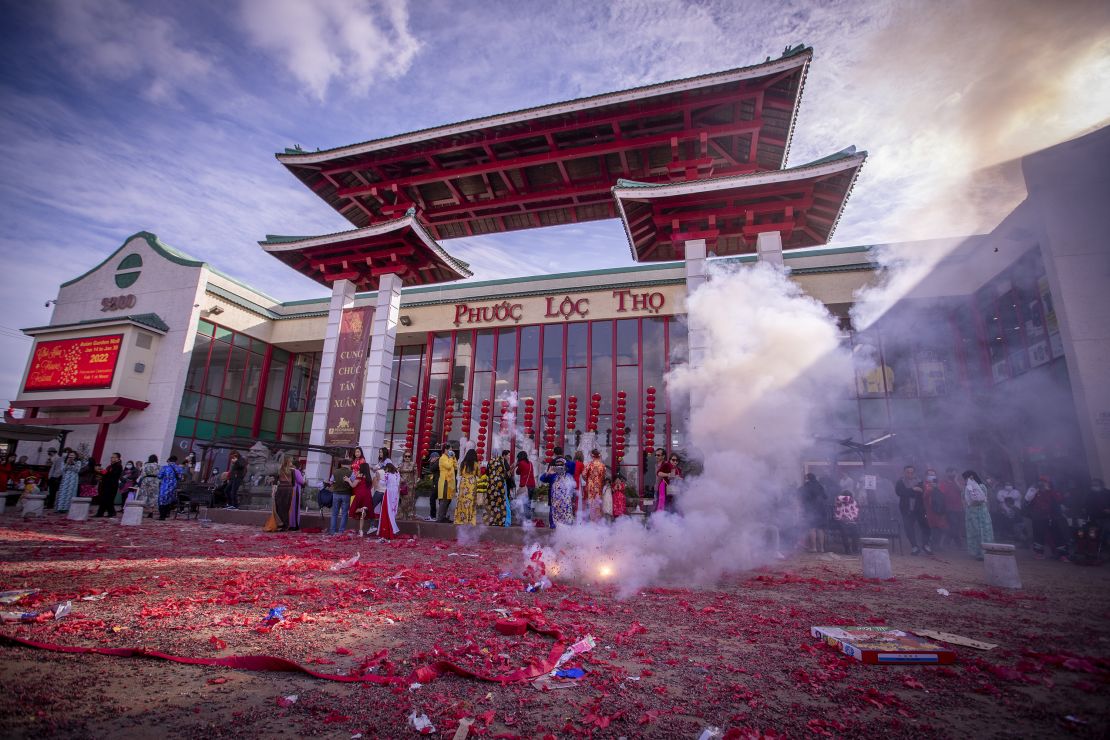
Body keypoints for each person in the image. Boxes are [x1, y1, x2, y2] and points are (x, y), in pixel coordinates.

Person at [1027, 476, 1068, 560]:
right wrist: (1034, 490)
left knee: (1057, 535)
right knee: (1039, 535)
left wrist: (1049, 490)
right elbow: (1027, 499)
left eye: (1044, 482)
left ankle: (1062, 554)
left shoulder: (1052, 491)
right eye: (1041, 482)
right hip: (1039, 518)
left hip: (1053, 517)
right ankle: (1039, 553)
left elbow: (1059, 499)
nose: (1042, 483)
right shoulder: (1034, 491)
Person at [895, 465, 932, 555]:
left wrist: (909, 491)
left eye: (911, 472)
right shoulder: (900, 482)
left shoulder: (920, 482)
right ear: (904, 472)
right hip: (906, 509)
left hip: (919, 508)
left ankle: (925, 544)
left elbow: (921, 492)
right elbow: (900, 492)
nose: (910, 474)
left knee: (926, 526)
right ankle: (914, 546)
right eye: (908, 472)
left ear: (914, 473)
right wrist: (913, 489)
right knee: (908, 528)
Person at [961, 470, 995, 560]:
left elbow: (979, 499)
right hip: (977, 513)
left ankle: (982, 552)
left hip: (976, 513)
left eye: (965, 478)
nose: (965, 481)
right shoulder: (972, 487)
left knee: (979, 532)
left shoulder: (976, 487)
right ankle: (981, 552)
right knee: (979, 532)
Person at [540, 456, 577, 528]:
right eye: (557, 465)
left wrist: (566, 465)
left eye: (561, 465)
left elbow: (573, 465)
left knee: (566, 523)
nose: (559, 467)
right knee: (554, 521)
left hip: (565, 503)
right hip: (555, 503)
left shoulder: (568, 475)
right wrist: (548, 472)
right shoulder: (552, 475)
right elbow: (542, 479)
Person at [799, 473, 827, 553]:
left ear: (807, 478)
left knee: (812, 528)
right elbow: (825, 496)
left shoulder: (806, 486)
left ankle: (814, 548)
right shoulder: (820, 485)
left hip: (811, 510)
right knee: (820, 529)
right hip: (821, 510)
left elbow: (799, 494)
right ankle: (821, 548)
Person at [485, 449, 512, 526]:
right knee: (501, 502)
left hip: (491, 485)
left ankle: (491, 521)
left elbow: (487, 473)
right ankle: (502, 521)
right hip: (500, 484)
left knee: (491, 502)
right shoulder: (501, 461)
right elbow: (506, 474)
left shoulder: (489, 462)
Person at [922, 469, 948, 549]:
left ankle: (939, 544)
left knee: (942, 528)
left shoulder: (940, 484)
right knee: (931, 528)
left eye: (933, 474)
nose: (931, 476)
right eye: (929, 475)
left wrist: (937, 487)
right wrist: (930, 489)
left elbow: (944, 494)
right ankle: (929, 545)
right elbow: (924, 496)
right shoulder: (923, 484)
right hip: (928, 510)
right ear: (926, 476)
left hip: (940, 511)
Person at [328, 461, 354, 535]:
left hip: (336, 494)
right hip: (346, 494)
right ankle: (341, 531)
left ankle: (332, 530)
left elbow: (331, 482)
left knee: (334, 513)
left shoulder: (335, 472)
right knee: (344, 513)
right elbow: (353, 481)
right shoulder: (351, 472)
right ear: (348, 465)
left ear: (341, 464)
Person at [454, 449, 479, 526]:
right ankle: (469, 519)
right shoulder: (475, 464)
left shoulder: (462, 463)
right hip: (471, 484)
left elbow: (460, 473)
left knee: (462, 501)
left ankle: (460, 519)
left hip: (463, 483)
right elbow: (479, 474)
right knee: (470, 501)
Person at [94, 453, 123, 518]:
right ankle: (101, 513)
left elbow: (112, 474)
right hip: (106, 484)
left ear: (117, 458)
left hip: (112, 485)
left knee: (108, 499)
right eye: (111, 457)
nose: (111, 458)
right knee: (104, 499)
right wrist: (101, 475)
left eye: (113, 457)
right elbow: (106, 474)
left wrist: (102, 471)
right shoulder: (110, 466)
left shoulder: (118, 466)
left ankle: (111, 512)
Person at [582, 449, 607, 523]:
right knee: (598, 503)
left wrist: (588, 480)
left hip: (590, 486)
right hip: (599, 486)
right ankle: (598, 521)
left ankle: (592, 521)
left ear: (592, 455)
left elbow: (583, 475)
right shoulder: (602, 465)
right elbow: (604, 477)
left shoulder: (589, 465)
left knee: (591, 503)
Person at [350, 459, 375, 531]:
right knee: (363, 516)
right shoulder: (369, 478)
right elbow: (371, 487)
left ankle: (361, 509)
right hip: (368, 496)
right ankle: (361, 531)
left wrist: (348, 480)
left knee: (352, 510)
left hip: (360, 495)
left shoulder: (359, 476)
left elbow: (353, 485)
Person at [378, 462, 401, 539]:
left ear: (388, 468)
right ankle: (392, 531)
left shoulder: (387, 474)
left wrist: (378, 479)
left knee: (386, 512)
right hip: (395, 495)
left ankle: (386, 532)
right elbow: (398, 484)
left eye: (385, 469)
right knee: (393, 511)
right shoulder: (397, 474)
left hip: (388, 494)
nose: (385, 470)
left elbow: (383, 483)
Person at [834, 490, 861, 554]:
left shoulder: (853, 502)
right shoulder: (839, 500)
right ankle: (847, 549)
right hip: (841, 521)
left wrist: (851, 519)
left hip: (851, 521)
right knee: (844, 533)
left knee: (856, 533)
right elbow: (840, 498)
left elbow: (856, 512)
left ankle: (855, 550)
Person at [157, 456, 184, 520]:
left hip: (165, 485)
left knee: (162, 500)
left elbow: (159, 476)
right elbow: (181, 478)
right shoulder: (179, 468)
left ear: (169, 460)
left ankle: (162, 516)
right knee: (170, 500)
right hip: (173, 486)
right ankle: (167, 513)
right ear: (176, 461)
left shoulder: (165, 468)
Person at [272, 456, 294, 531]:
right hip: (289, 490)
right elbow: (293, 482)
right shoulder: (292, 471)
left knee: (279, 506)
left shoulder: (279, 470)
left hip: (281, 489)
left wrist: (273, 490)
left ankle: (281, 523)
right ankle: (286, 524)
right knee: (286, 507)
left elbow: (275, 481)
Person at [514, 450, 536, 522]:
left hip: (525, 486)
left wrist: (516, 465)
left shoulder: (521, 463)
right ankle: (528, 519)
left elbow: (517, 472)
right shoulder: (530, 463)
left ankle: (527, 520)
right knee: (528, 503)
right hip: (532, 485)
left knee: (525, 504)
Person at [437, 446, 457, 522]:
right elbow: (448, 466)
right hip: (445, 481)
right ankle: (440, 518)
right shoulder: (442, 458)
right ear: (445, 450)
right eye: (450, 450)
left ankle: (443, 517)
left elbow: (456, 466)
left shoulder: (449, 458)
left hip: (450, 482)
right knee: (444, 499)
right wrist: (451, 458)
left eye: (452, 450)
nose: (451, 451)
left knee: (448, 499)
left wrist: (454, 458)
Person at [654, 448, 675, 513]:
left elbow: (673, 474)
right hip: (657, 489)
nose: (656, 456)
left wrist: (668, 474)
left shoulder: (666, 464)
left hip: (665, 489)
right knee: (658, 505)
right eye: (656, 455)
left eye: (658, 455)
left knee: (665, 506)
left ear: (663, 456)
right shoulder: (656, 465)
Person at [397, 450, 417, 520]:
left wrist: (415, 483)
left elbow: (415, 474)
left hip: (410, 484)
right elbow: (397, 473)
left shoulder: (413, 464)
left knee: (409, 500)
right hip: (402, 484)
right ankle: (401, 515)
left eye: (409, 456)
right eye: (406, 456)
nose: (407, 458)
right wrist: (400, 479)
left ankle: (409, 515)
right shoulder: (400, 464)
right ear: (403, 457)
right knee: (402, 500)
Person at [289, 459, 304, 531]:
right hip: (295, 490)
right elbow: (301, 481)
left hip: (287, 490)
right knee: (295, 507)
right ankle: (294, 524)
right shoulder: (296, 471)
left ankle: (287, 523)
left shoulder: (287, 470)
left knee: (288, 507)